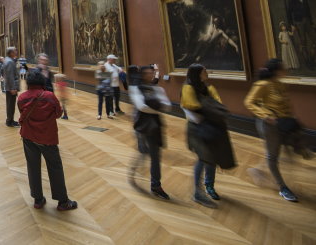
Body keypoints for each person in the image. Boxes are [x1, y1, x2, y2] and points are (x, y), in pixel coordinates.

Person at [244, 59, 311, 202]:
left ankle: (257, 170)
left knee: (283, 154)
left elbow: (285, 104)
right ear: (277, 71)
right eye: (283, 68)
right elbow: (249, 102)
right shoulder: (262, 85)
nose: (286, 70)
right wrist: (266, 115)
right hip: (269, 125)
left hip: (284, 123)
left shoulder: (279, 84)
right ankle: (283, 188)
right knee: (273, 156)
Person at [18, 72, 78, 211]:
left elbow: (22, 112)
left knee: (33, 168)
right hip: (47, 138)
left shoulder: (22, 98)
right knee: (55, 168)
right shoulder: (49, 96)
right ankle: (62, 202)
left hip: (28, 137)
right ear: (42, 82)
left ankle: (38, 200)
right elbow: (58, 113)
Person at [181, 64, 236, 208]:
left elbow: (216, 103)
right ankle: (198, 192)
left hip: (210, 126)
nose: (207, 72)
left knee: (211, 158)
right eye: (204, 71)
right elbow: (190, 110)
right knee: (204, 158)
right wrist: (208, 114)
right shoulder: (188, 88)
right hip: (197, 129)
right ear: (198, 73)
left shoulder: (207, 88)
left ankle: (209, 186)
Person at [128, 65, 171, 200]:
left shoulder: (157, 88)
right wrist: (158, 107)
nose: (150, 75)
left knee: (154, 155)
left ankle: (155, 185)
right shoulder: (135, 88)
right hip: (142, 126)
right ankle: (136, 172)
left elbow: (168, 106)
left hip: (155, 125)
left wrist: (154, 106)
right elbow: (141, 107)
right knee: (146, 153)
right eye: (146, 73)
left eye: (151, 73)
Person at [2, 47, 21, 127]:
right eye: (14, 51)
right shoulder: (9, 62)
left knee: (11, 104)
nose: (16, 52)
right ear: (10, 53)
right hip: (11, 88)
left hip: (9, 87)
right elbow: (10, 76)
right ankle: (9, 121)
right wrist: (13, 88)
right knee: (11, 105)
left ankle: (10, 120)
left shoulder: (7, 60)